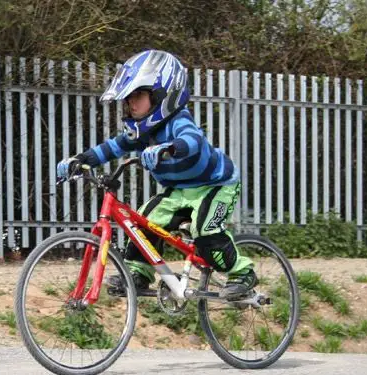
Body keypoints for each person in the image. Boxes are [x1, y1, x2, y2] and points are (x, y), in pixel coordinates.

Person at [56, 49, 256, 300]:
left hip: (215, 186)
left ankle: (242, 272)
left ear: (162, 95)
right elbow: (111, 148)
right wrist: (80, 160)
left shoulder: (178, 121)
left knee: (206, 229)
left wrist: (169, 148)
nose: (131, 102)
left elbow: (192, 140)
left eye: (138, 95)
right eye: (129, 97)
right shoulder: (140, 132)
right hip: (179, 191)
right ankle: (138, 273)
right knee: (143, 221)